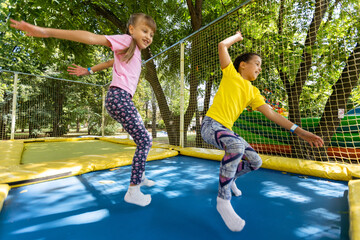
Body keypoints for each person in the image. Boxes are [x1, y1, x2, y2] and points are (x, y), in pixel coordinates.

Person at [10, 13, 157, 207]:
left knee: (145, 139)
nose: (148, 36)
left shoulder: (132, 51)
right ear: (131, 29)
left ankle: (141, 174)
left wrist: (88, 70)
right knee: (145, 140)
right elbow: (92, 38)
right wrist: (46, 32)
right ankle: (133, 191)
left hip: (120, 99)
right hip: (119, 97)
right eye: (144, 30)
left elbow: (109, 63)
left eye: (152, 34)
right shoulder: (126, 40)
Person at [200, 31, 324, 232]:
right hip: (211, 125)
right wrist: (238, 37)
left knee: (256, 162)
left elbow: (273, 115)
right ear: (242, 65)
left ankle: (230, 178)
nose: (259, 68)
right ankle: (223, 201)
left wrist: (300, 131)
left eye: (260, 65)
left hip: (226, 130)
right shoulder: (230, 73)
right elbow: (222, 45)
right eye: (256, 63)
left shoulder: (253, 92)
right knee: (236, 145)